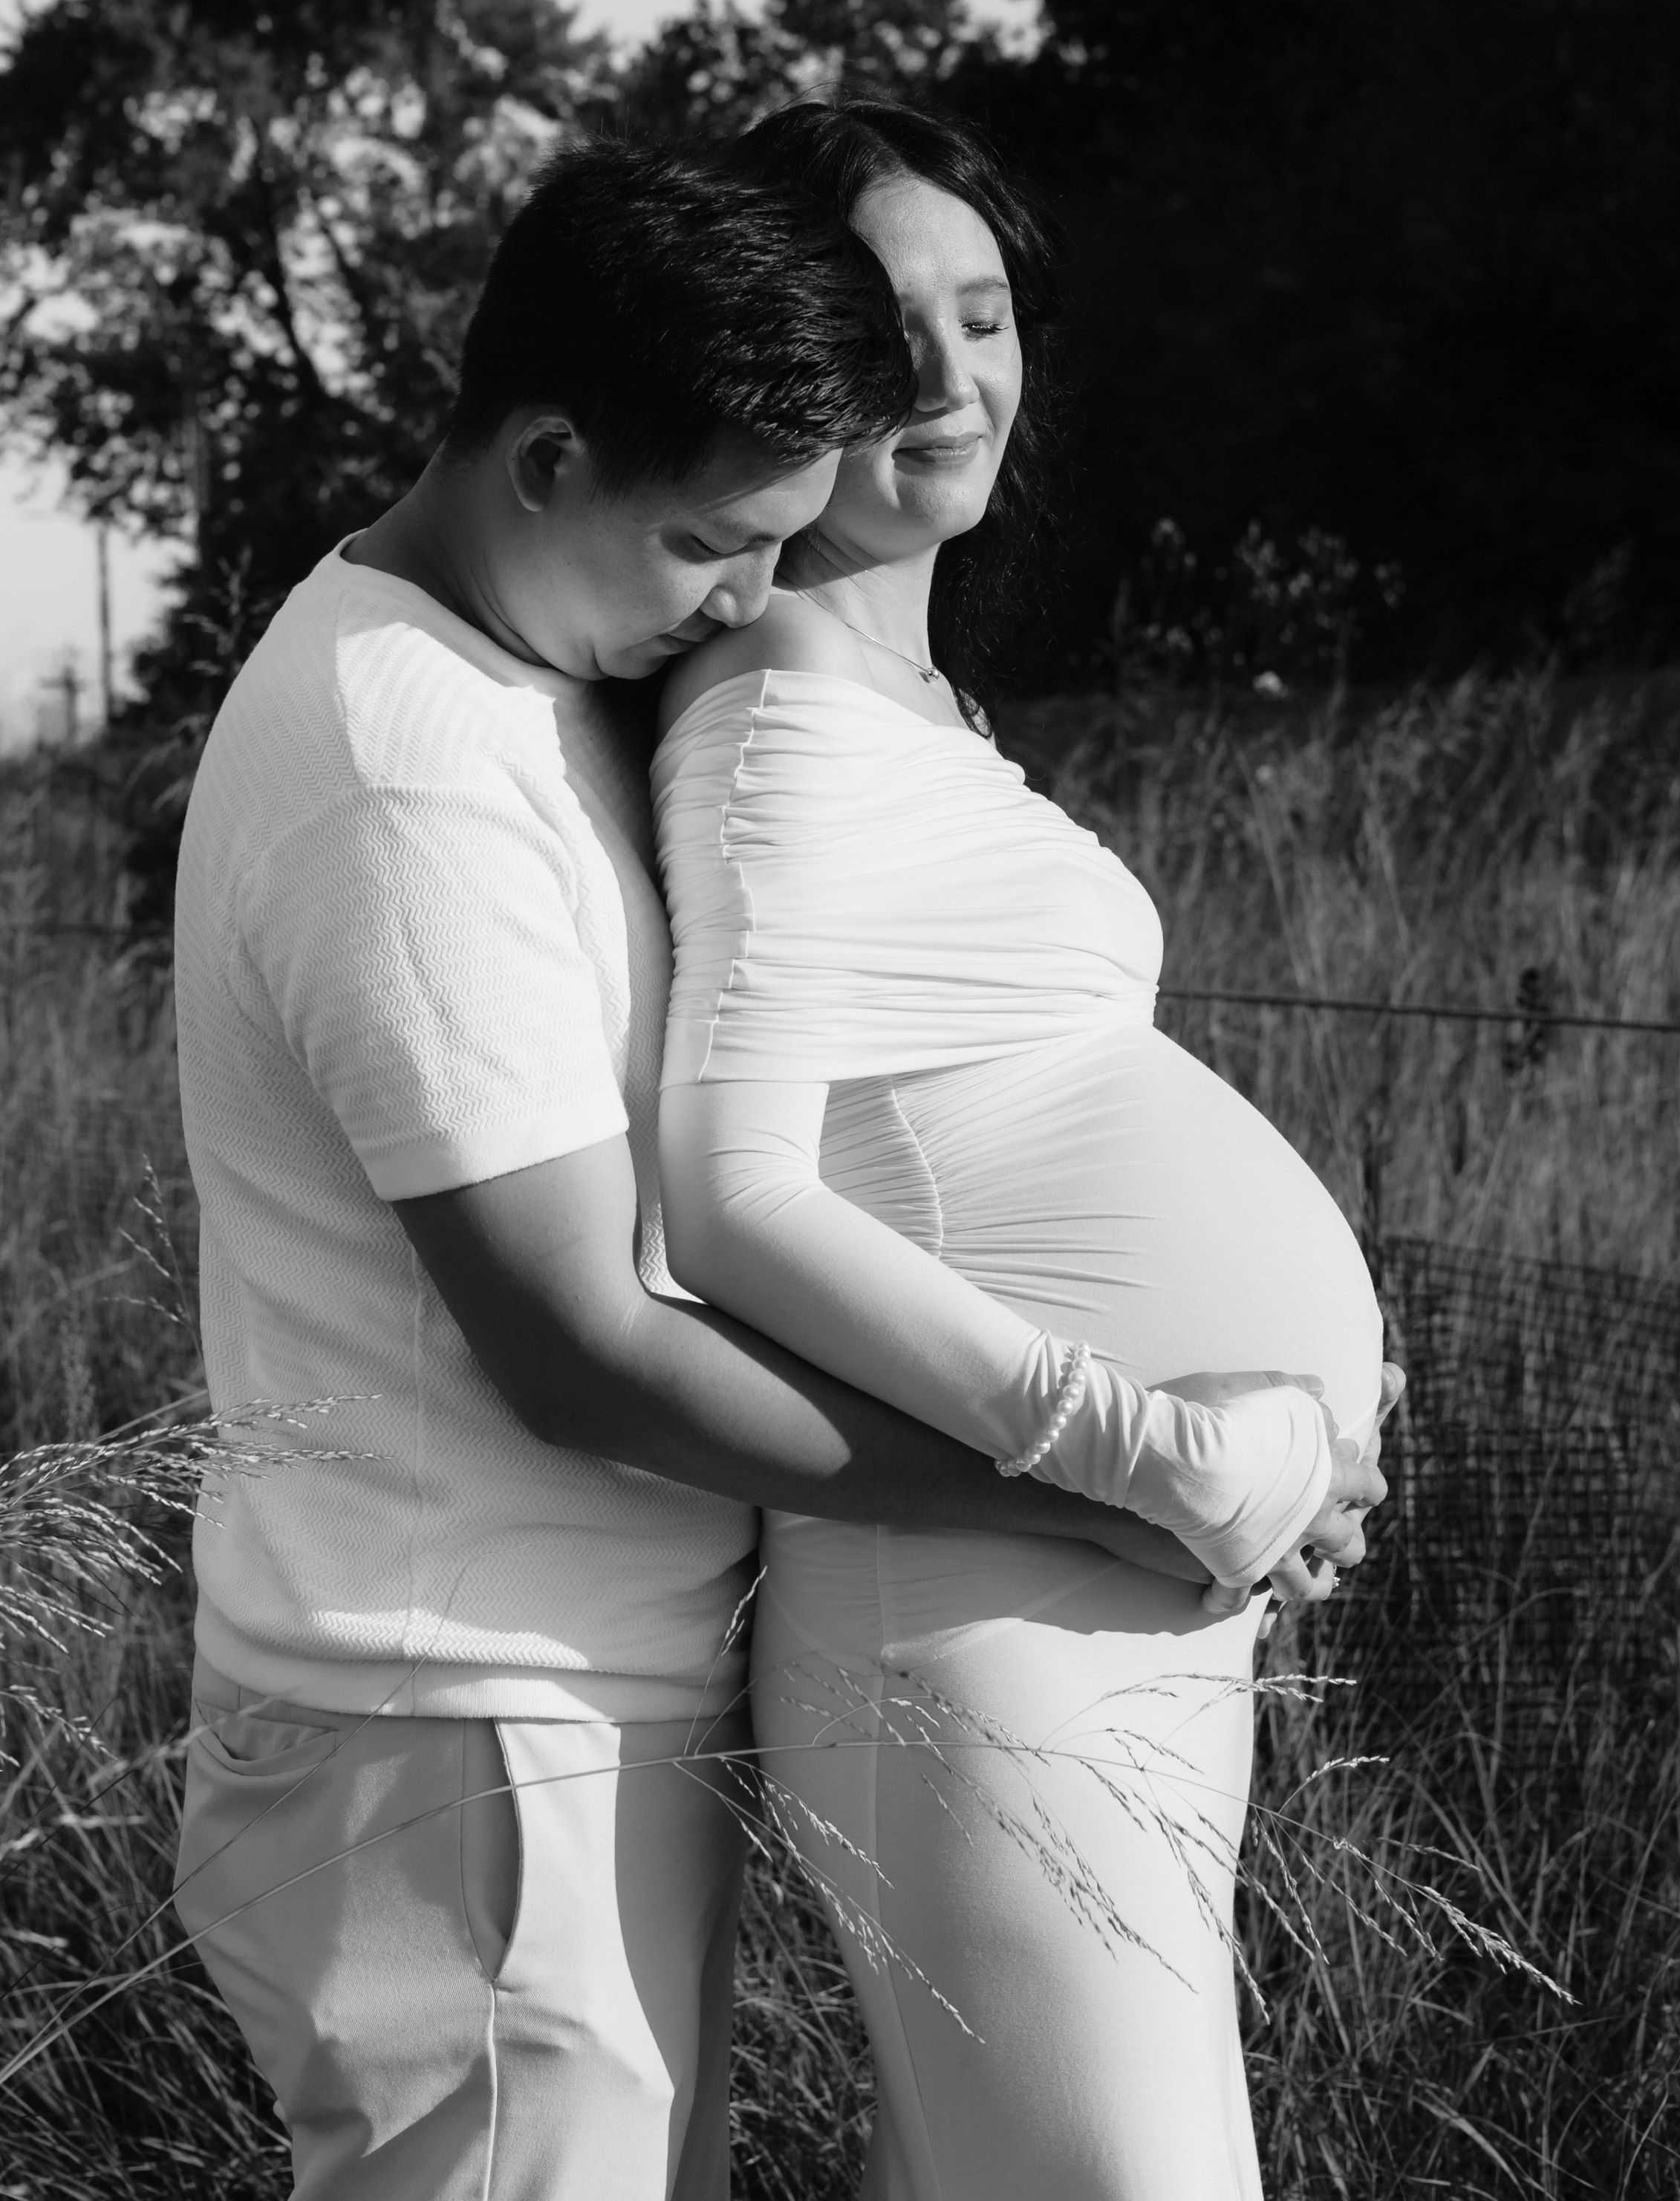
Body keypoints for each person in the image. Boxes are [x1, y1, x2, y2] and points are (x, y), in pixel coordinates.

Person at [171, 131, 1391, 2201]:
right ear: (548, 459)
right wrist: (1128, 1475)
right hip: (462, 1712)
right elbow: (585, 1346)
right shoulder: (413, 775)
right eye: (713, 546)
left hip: (547, 1703)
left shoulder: (517, 688)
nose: (751, 602)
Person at [654, 99, 1402, 2200]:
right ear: (765, 364)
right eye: (879, 327)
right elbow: (735, 1197)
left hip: (1091, 1591)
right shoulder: (782, 703)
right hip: (988, 1606)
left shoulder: (907, 704)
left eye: (982, 315)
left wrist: (1284, 1403)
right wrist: (1147, 1445)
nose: (949, 374)